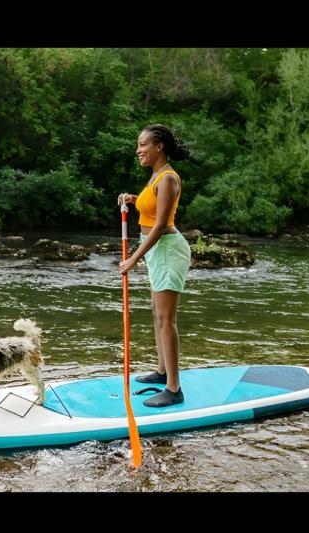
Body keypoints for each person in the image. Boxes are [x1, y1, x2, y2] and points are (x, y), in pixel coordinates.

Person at [117, 124, 192, 407]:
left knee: (166, 320)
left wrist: (133, 259)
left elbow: (161, 225)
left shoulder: (169, 178)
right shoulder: (156, 177)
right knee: (157, 314)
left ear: (159, 146)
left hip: (166, 250)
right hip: (156, 251)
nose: (138, 150)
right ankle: (162, 373)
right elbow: (153, 209)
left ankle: (174, 389)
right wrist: (133, 200)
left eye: (143, 144)